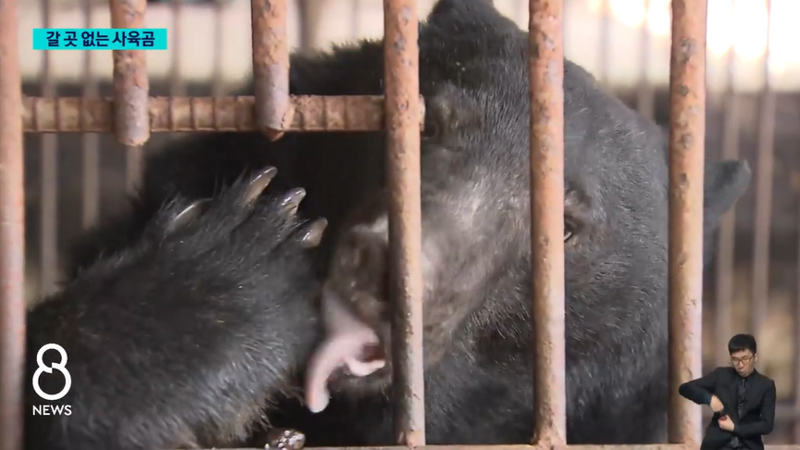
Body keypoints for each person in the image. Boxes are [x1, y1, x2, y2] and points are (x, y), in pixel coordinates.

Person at [678, 333, 776, 450]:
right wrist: (709, 399)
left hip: (748, 446)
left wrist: (735, 428)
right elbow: (685, 388)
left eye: (745, 359)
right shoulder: (721, 375)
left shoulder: (766, 385)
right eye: (735, 360)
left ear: (755, 357)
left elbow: (766, 425)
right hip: (718, 445)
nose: (740, 365)